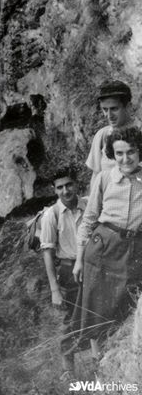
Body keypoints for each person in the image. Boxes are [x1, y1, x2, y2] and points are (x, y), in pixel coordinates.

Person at [72, 127, 142, 357]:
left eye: (131, 152)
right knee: (95, 304)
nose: (125, 158)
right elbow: (89, 220)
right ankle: (96, 360)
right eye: (119, 153)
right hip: (102, 246)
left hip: (133, 249)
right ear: (112, 155)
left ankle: (116, 358)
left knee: (124, 304)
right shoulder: (104, 178)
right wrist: (79, 261)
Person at [40, 167, 87, 377]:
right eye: (60, 187)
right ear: (54, 190)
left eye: (69, 185)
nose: (65, 191)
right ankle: (68, 367)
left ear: (76, 184)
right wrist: (54, 289)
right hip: (69, 270)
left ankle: (99, 355)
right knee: (72, 317)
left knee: (96, 310)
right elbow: (48, 253)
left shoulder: (89, 205)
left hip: (94, 266)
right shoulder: (52, 215)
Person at [86, 80, 134, 188]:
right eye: (105, 109)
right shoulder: (101, 136)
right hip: (110, 202)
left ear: (128, 106)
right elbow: (96, 177)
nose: (109, 115)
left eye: (114, 109)